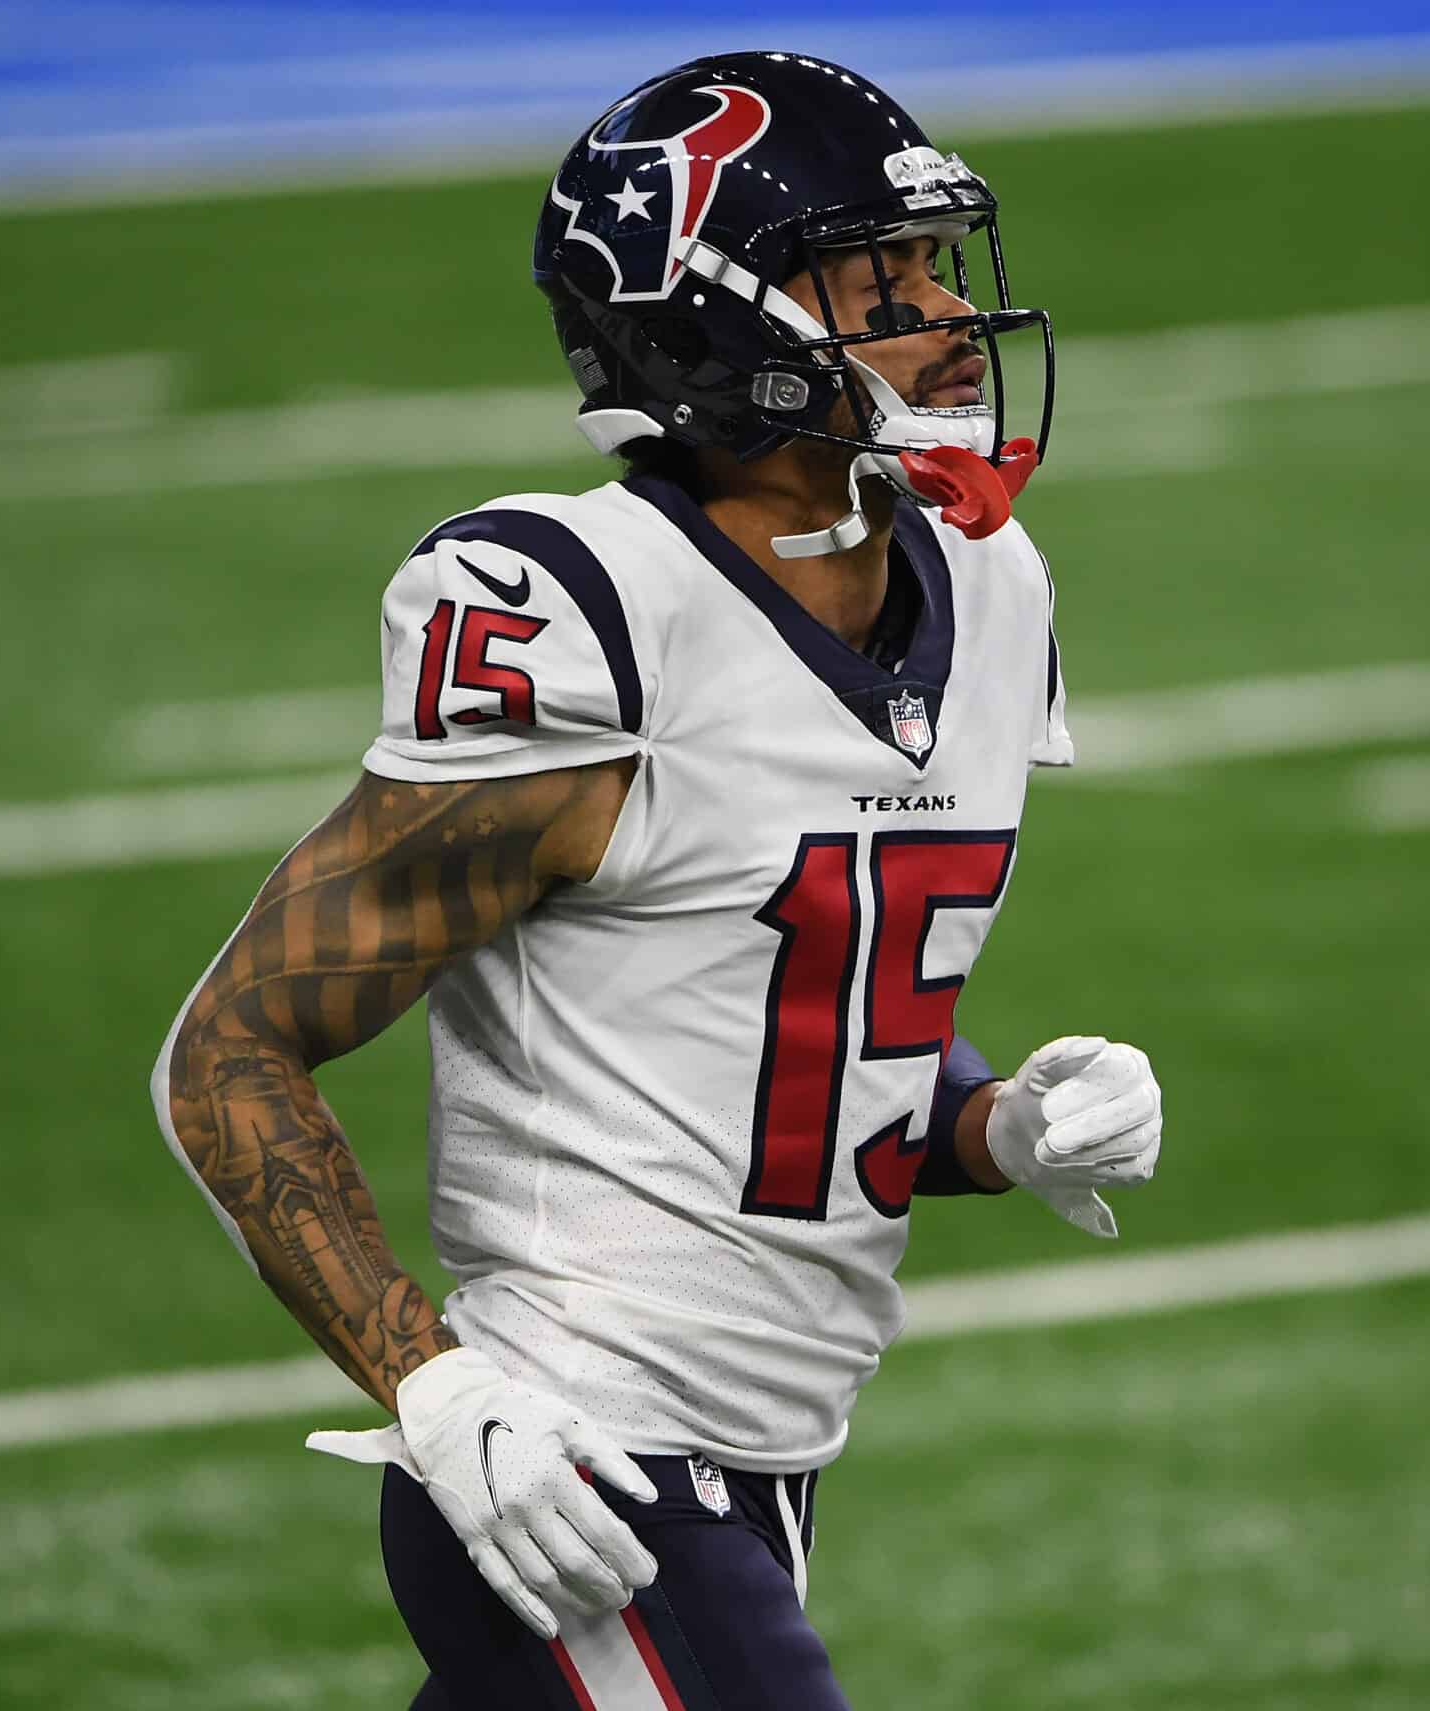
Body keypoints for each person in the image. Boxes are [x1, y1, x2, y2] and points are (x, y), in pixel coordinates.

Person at [150, 49, 1165, 1709]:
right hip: (585, 1463)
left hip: (763, 1463)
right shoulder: (588, 614)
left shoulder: (982, 586)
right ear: (710, 327)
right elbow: (230, 1052)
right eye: (877, 278)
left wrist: (990, 1122)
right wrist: (438, 1387)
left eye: (929, 265)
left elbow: (784, 1005)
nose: (943, 316)